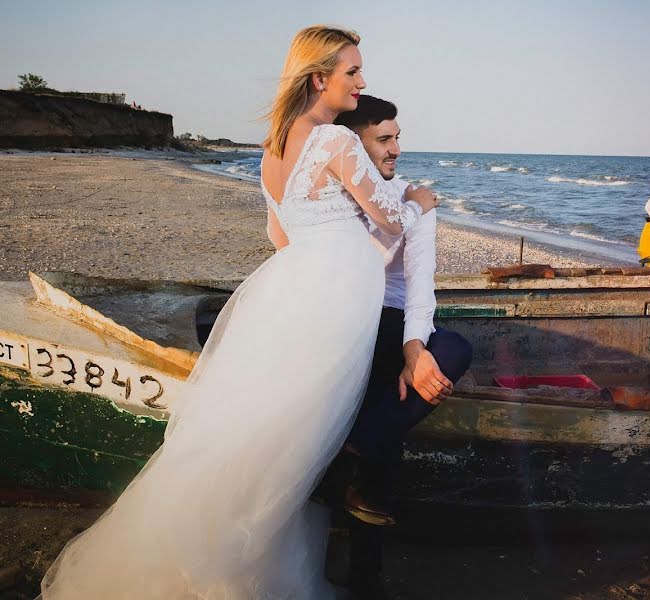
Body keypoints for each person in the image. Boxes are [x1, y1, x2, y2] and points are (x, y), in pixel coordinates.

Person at [39, 25, 437, 599]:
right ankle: (230, 564)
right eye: (352, 72)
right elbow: (390, 219)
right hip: (333, 299)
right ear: (319, 77)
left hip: (293, 287)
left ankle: (202, 543)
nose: (362, 81)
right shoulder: (337, 142)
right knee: (295, 436)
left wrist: (320, 259)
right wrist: (418, 202)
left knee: (260, 427)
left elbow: (280, 234)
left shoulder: (273, 147)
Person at [326, 95, 473, 598]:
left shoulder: (416, 197)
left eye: (397, 137)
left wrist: (415, 350)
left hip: (390, 321)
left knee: (451, 352)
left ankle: (351, 456)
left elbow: (419, 285)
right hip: (345, 319)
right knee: (386, 411)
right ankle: (366, 574)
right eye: (384, 139)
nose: (396, 149)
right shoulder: (336, 197)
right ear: (353, 144)